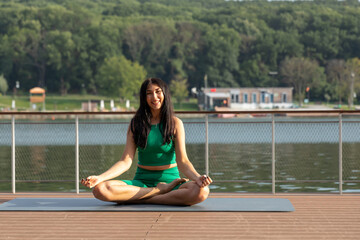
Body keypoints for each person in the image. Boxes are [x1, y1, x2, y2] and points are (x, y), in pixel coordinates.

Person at [81, 78, 212, 206]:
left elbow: (183, 162)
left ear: (164, 94)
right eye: (149, 93)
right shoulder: (136, 124)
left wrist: (197, 178)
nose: (154, 97)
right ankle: (158, 192)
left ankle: (144, 198)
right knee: (100, 190)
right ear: (144, 98)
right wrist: (100, 178)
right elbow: (125, 161)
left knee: (202, 191)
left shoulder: (175, 123)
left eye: (158, 92)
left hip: (171, 182)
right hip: (141, 183)